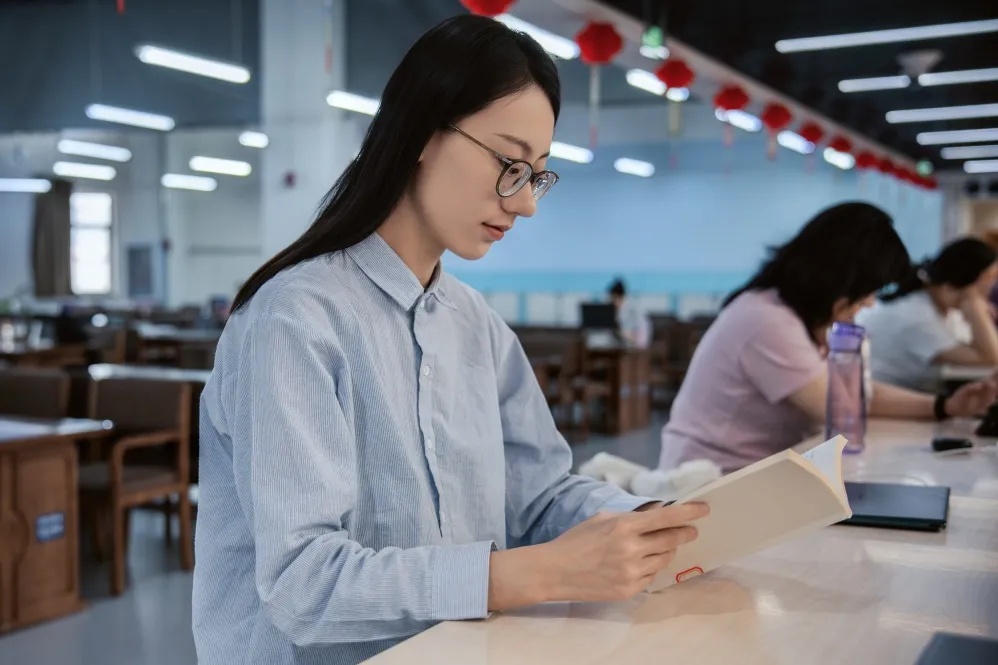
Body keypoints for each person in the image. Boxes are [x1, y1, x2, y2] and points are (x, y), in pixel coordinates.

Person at [192, 16, 707, 665]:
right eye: (510, 164)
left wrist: (655, 522)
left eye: (537, 175)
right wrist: (529, 574)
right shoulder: (294, 320)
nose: (525, 203)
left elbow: (540, 495)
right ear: (423, 135)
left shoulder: (474, 324)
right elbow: (303, 583)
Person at [658, 202, 997, 474]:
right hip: (713, 485)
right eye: (868, 291)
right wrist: (941, 406)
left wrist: (945, 406)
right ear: (840, 279)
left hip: (757, 475)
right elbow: (842, 406)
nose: (870, 303)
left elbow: (855, 391)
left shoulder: (798, 316)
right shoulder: (767, 320)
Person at [856, 238, 998, 392]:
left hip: (907, 396)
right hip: (878, 400)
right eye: (990, 277)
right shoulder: (918, 317)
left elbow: (979, 350)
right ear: (964, 280)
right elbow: (991, 357)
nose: (992, 285)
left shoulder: (944, 309)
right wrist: (976, 310)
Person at [608, 278, 649, 347]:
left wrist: (620, 332)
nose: (612, 302)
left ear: (620, 297)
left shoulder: (632, 310)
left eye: (613, 298)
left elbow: (636, 337)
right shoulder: (618, 310)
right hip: (626, 343)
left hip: (637, 344)